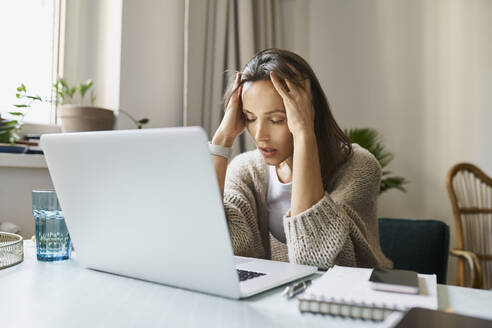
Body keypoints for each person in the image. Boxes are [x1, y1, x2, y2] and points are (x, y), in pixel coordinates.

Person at [209, 48, 392, 269]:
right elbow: (213, 243)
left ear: (308, 112)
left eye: (276, 120)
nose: (259, 135)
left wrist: (304, 134)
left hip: (351, 298)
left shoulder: (359, 166)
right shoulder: (246, 170)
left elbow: (317, 261)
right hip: (276, 299)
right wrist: (222, 139)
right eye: (249, 118)